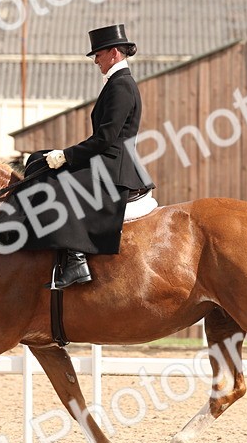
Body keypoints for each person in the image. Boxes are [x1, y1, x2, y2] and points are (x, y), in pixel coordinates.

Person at [16, 24, 152, 289]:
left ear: (113, 53)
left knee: (58, 184)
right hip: (106, 160)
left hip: (113, 167)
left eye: (98, 55)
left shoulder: (121, 86)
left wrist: (66, 156)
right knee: (37, 161)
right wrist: (60, 155)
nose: (96, 61)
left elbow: (105, 139)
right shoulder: (115, 84)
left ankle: (76, 260)